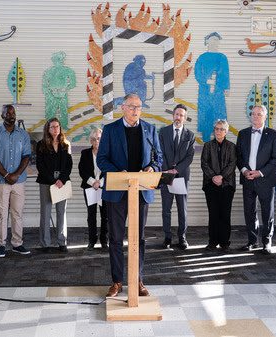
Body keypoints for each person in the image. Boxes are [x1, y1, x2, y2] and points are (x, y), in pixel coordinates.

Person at [97, 93, 162, 298]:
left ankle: (138, 280)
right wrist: (117, 173)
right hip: (117, 191)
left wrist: (152, 167)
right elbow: (102, 159)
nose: (136, 111)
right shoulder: (110, 130)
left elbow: (158, 157)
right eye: (132, 107)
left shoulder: (150, 130)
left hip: (141, 191)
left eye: (139, 107)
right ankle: (117, 281)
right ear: (123, 108)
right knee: (116, 238)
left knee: (139, 238)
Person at [0, 104, 31, 258]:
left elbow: (27, 156)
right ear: (2, 116)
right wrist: (7, 176)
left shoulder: (23, 135)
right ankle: (0, 245)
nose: (12, 115)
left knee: (17, 213)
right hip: (0, 181)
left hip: (19, 181)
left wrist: (16, 175)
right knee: (1, 213)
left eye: (13, 112)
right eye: (8, 113)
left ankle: (17, 244)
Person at [236, 105, 276, 254]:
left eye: (259, 114)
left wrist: (260, 172)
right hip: (248, 179)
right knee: (249, 211)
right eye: (253, 114)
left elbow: (275, 159)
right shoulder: (242, 134)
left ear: (265, 117)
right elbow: (239, 157)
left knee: (267, 212)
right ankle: (252, 241)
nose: (255, 117)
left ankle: (267, 242)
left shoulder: (273, 135)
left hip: (265, 180)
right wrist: (244, 171)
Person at [159, 104, 195, 250]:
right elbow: (159, 152)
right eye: (176, 114)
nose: (178, 117)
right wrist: (168, 170)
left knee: (182, 208)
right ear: (173, 115)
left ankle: (182, 237)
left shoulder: (190, 135)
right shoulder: (163, 132)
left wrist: (176, 170)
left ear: (185, 118)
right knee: (166, 208)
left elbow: (190, 156)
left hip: (181, 176)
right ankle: (167, 237)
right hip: (166, 175)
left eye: (181, 115)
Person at [36, 118, 72, 253]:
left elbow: (69, 165)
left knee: (61, 212)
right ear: (47, 129)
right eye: (52, 127)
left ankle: (62, 242)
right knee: (45, 212)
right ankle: (45, 243)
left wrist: (61, 180)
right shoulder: (41, 145)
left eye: (57, 126)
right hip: (46, 181)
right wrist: (52, 180)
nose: (55, 129)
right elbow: (40, 166)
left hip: (62, 183)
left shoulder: (65, 145)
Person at [200, 119, 237, 252]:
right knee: (213, 213)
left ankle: (225, 242)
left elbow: (232, 164)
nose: (219, 131)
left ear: (226, 131)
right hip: (211, 185)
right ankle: (212, 241)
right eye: (216, 129)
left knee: (225, 214)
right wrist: (214, 177)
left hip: (227, 185)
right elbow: (204, 163)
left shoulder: (232, 146)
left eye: (221, 129)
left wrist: (221, 177)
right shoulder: (208, 145)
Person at [195, 32, 230, 142]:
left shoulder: (222, 57)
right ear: (208, 41)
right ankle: (206, 141)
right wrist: (206, 81)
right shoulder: (202, 57)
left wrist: (226, 87)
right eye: (213, 40)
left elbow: (225, 74)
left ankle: (218, 142)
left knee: (218, 115)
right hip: (205, 92)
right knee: (205, 115)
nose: (215, 42)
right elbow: (197, 73)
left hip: (218, 93)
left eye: (217, 40)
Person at [78, 128, 108, 251]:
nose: (96, 141)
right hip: (89, 188)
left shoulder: (107, 153)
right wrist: (92, 182)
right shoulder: (85, 153)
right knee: (91, 215)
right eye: (94, 139)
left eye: (99, 139)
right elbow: (82, 171)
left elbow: (110, 170)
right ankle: (92, 240)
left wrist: (100, 182)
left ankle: (104, 240)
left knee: (105, 215)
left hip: (103, 187)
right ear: (91, 140)